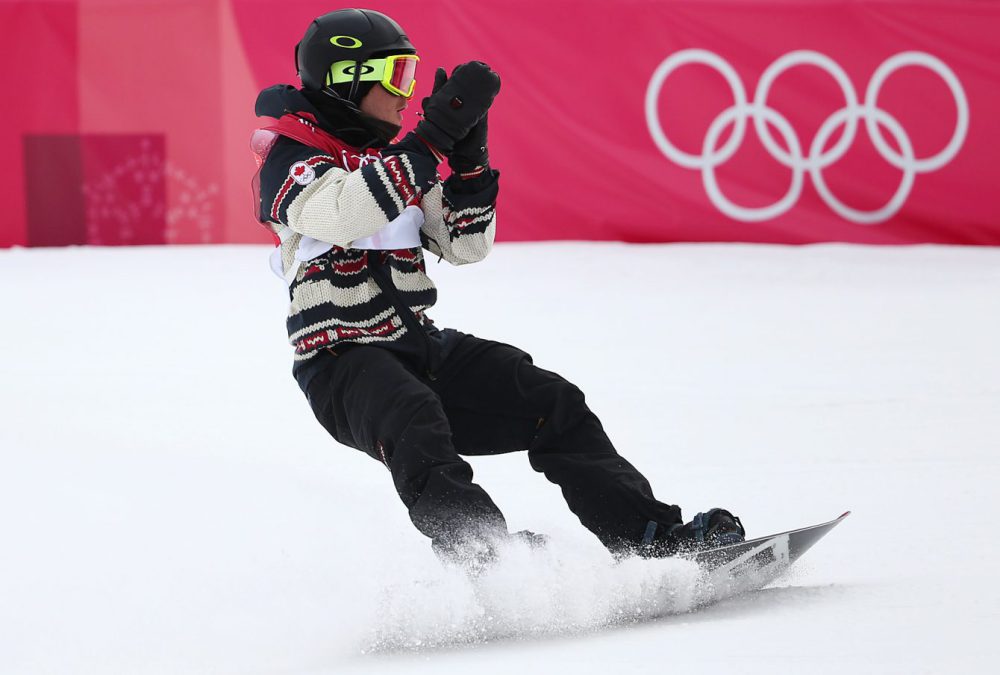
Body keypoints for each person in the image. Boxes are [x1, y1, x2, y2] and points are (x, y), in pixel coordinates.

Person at [252, 8, 745, 570]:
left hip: (418, 347)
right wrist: (430, 140)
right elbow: (344, 212)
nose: (404, 94)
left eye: (410, 77)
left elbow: (465, 245)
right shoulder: (290, 158)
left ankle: (651, 539)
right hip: (342, 363)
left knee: (550, 401)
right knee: (415, 419)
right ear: (346, 78)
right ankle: (484, 559)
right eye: (394, 77)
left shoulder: (394, 162)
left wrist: (468, 166)